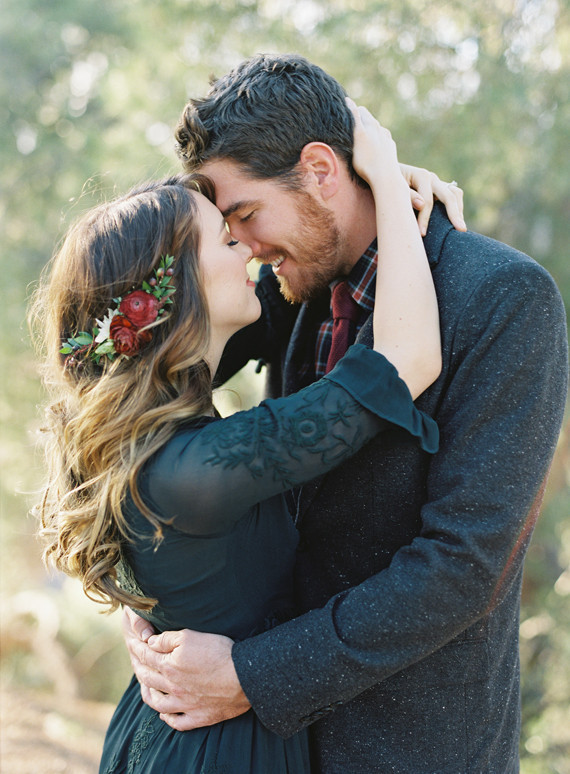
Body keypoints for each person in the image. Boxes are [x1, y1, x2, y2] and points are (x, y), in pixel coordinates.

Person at [123, 54, 568, 773]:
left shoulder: (502, 298)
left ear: (322, 171)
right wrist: (148, 594)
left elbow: (464, 565)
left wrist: (252, 676)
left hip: (412, 748)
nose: (246, 247)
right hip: (262, 748)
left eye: (245, 214)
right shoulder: (286, 287)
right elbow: (131, 394)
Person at [32, 103, 445, 773]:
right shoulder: (199, 468)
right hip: (220, 750)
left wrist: (363, 195)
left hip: (171, 733)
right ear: (178, 296)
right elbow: (408, 360)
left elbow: (304, 259)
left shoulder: (157, 433)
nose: (250, 248)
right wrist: (387, 182)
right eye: (227, 241)